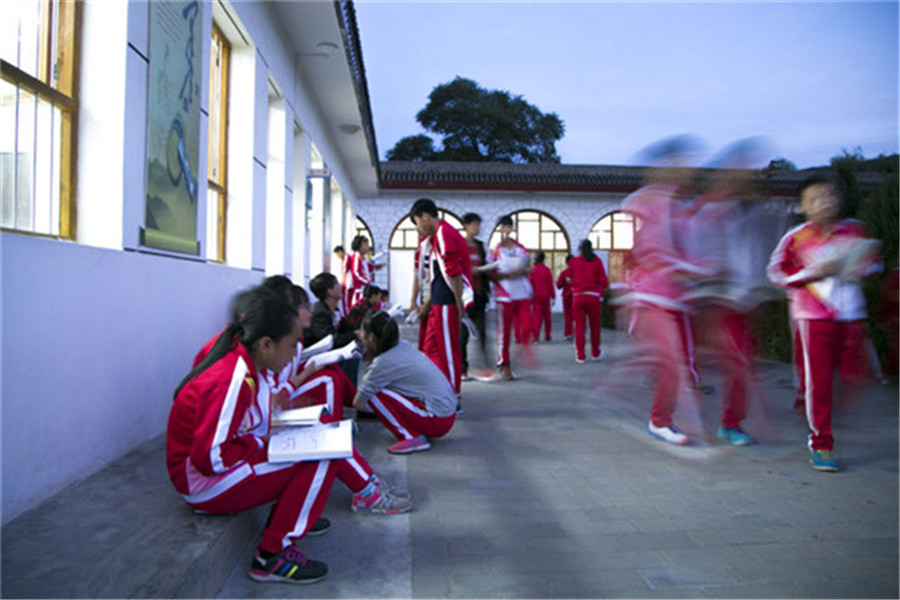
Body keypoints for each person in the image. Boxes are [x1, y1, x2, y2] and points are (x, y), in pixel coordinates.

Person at [167, 289, 338, 584]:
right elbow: (210, 457)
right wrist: (263, 444)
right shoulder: (233, 378)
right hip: (203, 483)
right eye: (291, 345)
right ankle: (271, 556)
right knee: (322, 456)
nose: (293, 355)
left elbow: (255, 423)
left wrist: (270, 439)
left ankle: (282, 527)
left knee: (320, 439)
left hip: (217, 469)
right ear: (266, 344)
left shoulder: (252, 367)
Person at [767, 175, 882, 471]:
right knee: (819, 384)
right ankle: (821, 444)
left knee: (855, 377)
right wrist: (813, 273)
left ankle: (808, 405)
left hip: (851, 317)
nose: (825, 202)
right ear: (804, 205)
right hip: (813, 318)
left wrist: (863, 266)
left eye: (830, 195)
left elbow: (875, 264)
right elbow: (777, 274)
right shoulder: (796, 238)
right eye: (816, 198)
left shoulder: (854, 231)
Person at [621, 135, 707, 445]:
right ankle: (660, 420)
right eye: (677, 163)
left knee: (679, 362)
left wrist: (700, 266)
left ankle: (663, 413)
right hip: (651, 296)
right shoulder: (647, 202)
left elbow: (686, 250)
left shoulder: (681, 207)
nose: (684, 169)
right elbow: (651, 248)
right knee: (670, 361)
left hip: (678, 298)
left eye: (687, 164)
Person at [353, 310, 457, 454]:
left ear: (371, 337)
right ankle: (415, 428)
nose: (359, 334)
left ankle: (410, 437)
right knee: (381, 388)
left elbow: (358, 402)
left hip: (438, 420)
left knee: (374, 393)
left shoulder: (382, 363)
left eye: (362, 332)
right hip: (446, 413)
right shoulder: (402, 345)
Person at [409, 198, 474, 395]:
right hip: (438, 302)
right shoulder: (436, 236)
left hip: (447, 303)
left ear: (425, 216)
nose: (419, 229)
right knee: (430, 349)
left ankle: (453, 396)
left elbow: (453, 272)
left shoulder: (444, 233)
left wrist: (458, 304)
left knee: (448, 352)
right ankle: (437, 390)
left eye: (418, 223)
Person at [489, 214, 533, 380]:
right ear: (499, 230)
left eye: (509, 227)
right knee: (504, 333)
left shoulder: (521, 248)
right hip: (504, 296)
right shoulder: (495, 250)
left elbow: (527, 266)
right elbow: (491, 275)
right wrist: (508, 274)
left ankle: (517, 358)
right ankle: (504, 364)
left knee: (527, 329)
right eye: (503, 227)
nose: (506, 230)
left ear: (512, 228)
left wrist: (523, 270)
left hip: (522, 294)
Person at [460, 212, 492, 380]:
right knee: (463, 333)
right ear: (466, 226)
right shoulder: (460, 244)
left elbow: (484, 264)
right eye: (474, 225)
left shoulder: (480, 246)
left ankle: (485, 367)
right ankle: (462, 369)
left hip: (479, 293)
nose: (477, 228)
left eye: (479, 225)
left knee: (482, 332)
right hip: (466, 295)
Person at [569, 239, 609, 363]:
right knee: (595, 326)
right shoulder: (597, 261)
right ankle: (595, 352)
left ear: (580, 249)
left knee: (579, 327)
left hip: (578, 297)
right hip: (593, 298)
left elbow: (569, 277)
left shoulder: (574, 261)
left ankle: (581, 355)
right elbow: (605, 282)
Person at [529, 250, 556, 342]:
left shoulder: (533, 271)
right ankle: (547, 334)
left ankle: (536, 335)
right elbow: (550, 284)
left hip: (536, 296)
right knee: (547, 316)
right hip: (546, 296)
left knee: (536, 317)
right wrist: (553, 296)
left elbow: (530, 284)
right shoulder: (547, 270)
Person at [347, 235, 375, 309]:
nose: (368, 247)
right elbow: (356, 273)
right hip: (360, 289)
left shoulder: (363, 257)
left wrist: (374, 267)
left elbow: (365, 270)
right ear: (362, 244)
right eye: (367, 244)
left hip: (364, 288)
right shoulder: (357, 255)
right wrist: (367, 282)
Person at [556, 254, 575, 340]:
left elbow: (559, 285)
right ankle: (577, 333)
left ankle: (568, 334)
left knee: (568, 316)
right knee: (577, 316)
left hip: (566, 296)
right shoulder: (578, 272)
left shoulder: (564, 273)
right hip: (576, 296)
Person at [333, 245, 350, 316]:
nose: (337, 256)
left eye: (337, 254)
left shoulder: (347, 257)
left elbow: (345, 270)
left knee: (346, 301)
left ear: (340, 252)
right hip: (344, 282)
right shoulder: (343, 259)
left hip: (347, 283)